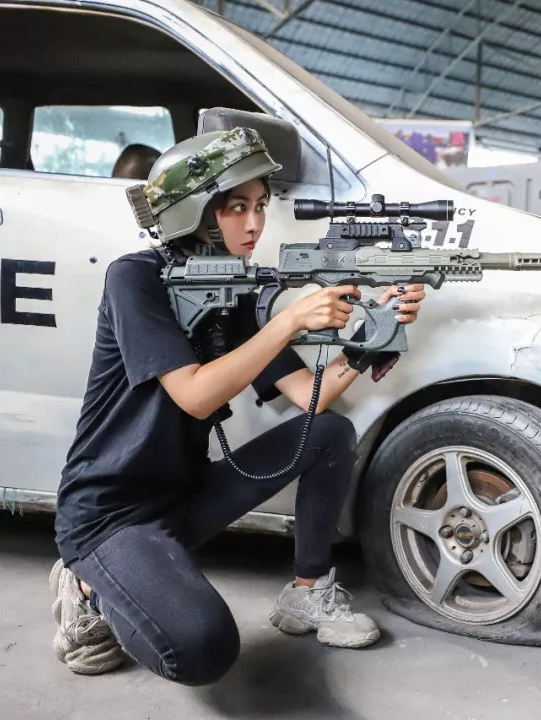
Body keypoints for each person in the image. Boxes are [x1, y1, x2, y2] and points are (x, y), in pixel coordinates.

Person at [48, 127, 427, 684]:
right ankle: (87, 587)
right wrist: (291, 320)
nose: (253, 225)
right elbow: (195, 394)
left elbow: (310, 396)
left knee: (329, 434)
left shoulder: (238, 289)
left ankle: (308, 592)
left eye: (260, 207)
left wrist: (375, 331)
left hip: (184, 497)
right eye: (235, 208)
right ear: (194, 213)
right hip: (111, 512)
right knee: (203, 650)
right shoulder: (136, 279)